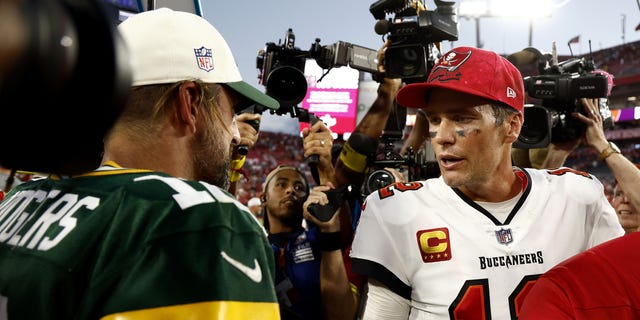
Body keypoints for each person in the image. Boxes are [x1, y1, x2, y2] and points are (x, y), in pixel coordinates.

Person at [0, 8, 282, 320]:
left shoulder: (20, 199)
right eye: (230, 112)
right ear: (191, 103)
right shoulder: (199, 219)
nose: (234, 134)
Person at [349, 46, 624, 319]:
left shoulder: (577, 196)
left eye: (461, 118)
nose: (441, 137)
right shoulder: (397, 210)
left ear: (512, 126)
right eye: (435, 119)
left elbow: (614, 304)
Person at [262, 120, 363, 320]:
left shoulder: (322, 238)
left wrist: (325, 166)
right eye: (281, 185)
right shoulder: (251, 245)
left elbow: (336, 218)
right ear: (263, 198)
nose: (291, 190)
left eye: (299, 188)